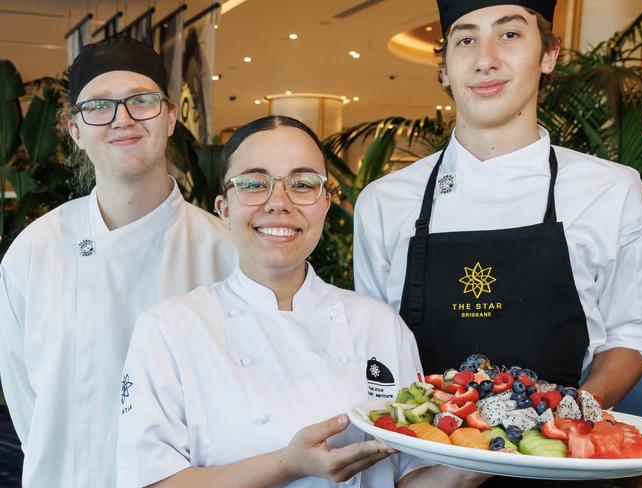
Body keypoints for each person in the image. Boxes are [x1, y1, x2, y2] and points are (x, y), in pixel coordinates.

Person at [116, 115, 489, 488]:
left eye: (303, 183)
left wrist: (480, 459)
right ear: (224, 207)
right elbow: (151, 482)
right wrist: (287, 464)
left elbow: (409, 477)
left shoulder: (379, 325)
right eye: (253, 183)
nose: (279, 202)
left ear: (325, 203)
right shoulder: (170, 329)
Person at [354, 0, 642, 411]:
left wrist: (568, 419)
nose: (485, 60)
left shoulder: (611, 190)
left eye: (509, 34)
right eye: (466, 39)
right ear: (443, 67)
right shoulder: (384, 202)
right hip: (423, 461)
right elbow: (375, 340)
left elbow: (631, 333)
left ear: (549, 55)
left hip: (559, 463)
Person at [0, 36, 235, 488]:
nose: (121, 119)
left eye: (141, 101)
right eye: (99, 107)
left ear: (169, 118)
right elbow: (26, 404)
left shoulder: (223, 252)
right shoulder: (34, 252)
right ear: (76, 132)